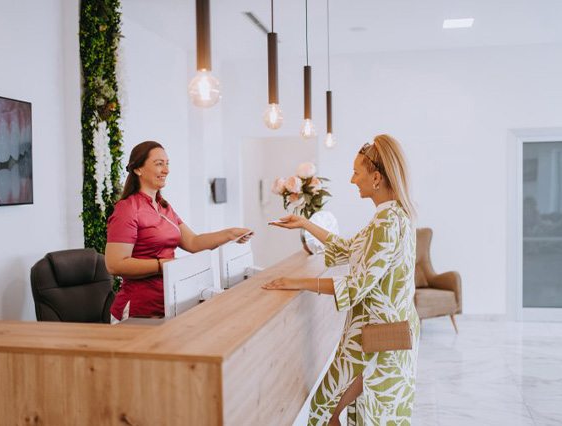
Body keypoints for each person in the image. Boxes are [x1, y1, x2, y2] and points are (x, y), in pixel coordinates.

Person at [263, 134, 420, 425]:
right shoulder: (390, 216)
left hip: (376, 337)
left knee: (325, 407)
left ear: (376, 178)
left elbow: (356, 285)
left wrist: (297, 283)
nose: (351, 180)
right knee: (347, 411)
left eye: (356, 173)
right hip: (379, 335)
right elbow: (348, 248)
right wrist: (305, 222)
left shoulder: (386, 223)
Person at [105, 141, 252, 321]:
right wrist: (162, 265)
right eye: (159, 164)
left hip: (170, 304)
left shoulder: (164, 207)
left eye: (167, 164)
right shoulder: (127, 209)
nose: (166, 170)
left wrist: (229, 234)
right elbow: (114, 264)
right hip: (139, 309)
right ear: (138, 169)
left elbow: (193, 242)